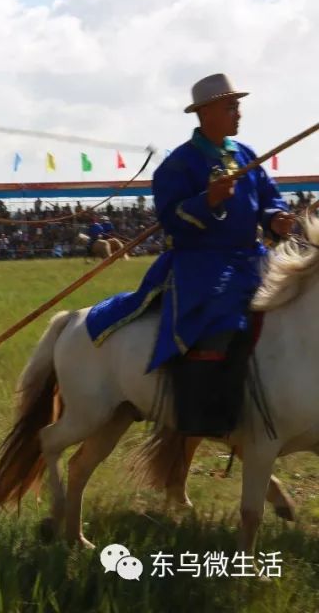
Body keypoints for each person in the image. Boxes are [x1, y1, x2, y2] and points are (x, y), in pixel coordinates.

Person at [86, 73, 292, 436]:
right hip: (203, 262)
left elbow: (268, 200)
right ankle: (208, 410)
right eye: (231, 107)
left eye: (238, 106)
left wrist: (277, 219)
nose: (238, 113)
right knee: (221, 318)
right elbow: (171, 219)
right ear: (206, 113)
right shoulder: (178, 165)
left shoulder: (245, 156)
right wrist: (207, 201)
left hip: (253, 256)